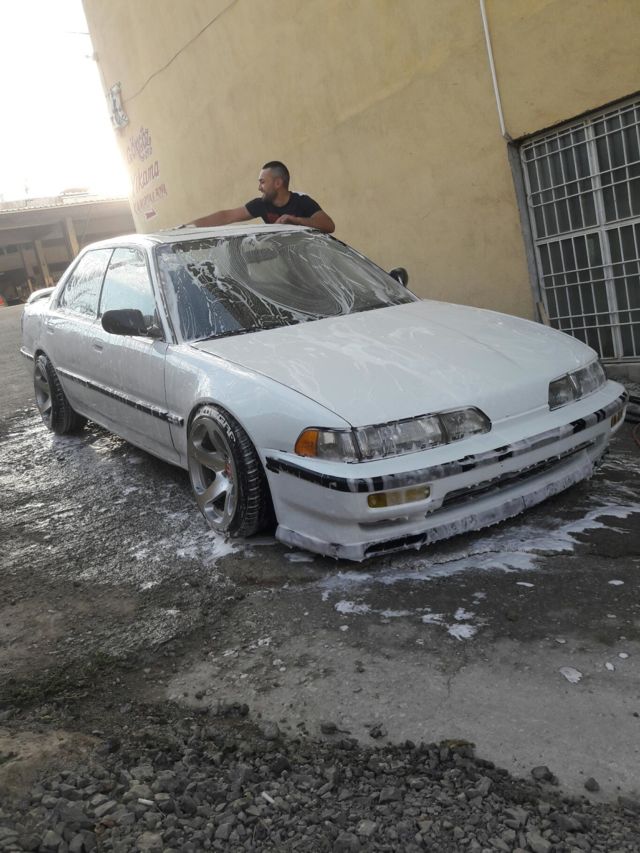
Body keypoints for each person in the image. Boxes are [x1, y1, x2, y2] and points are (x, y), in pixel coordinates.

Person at [191, 161, 335, 233]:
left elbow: (329, 226)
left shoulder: (302, 201)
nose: (259, 188)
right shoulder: (261, 204)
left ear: (278, 183)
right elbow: (227, 216)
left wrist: (295, 220)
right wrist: (188, 227)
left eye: (262, 182)